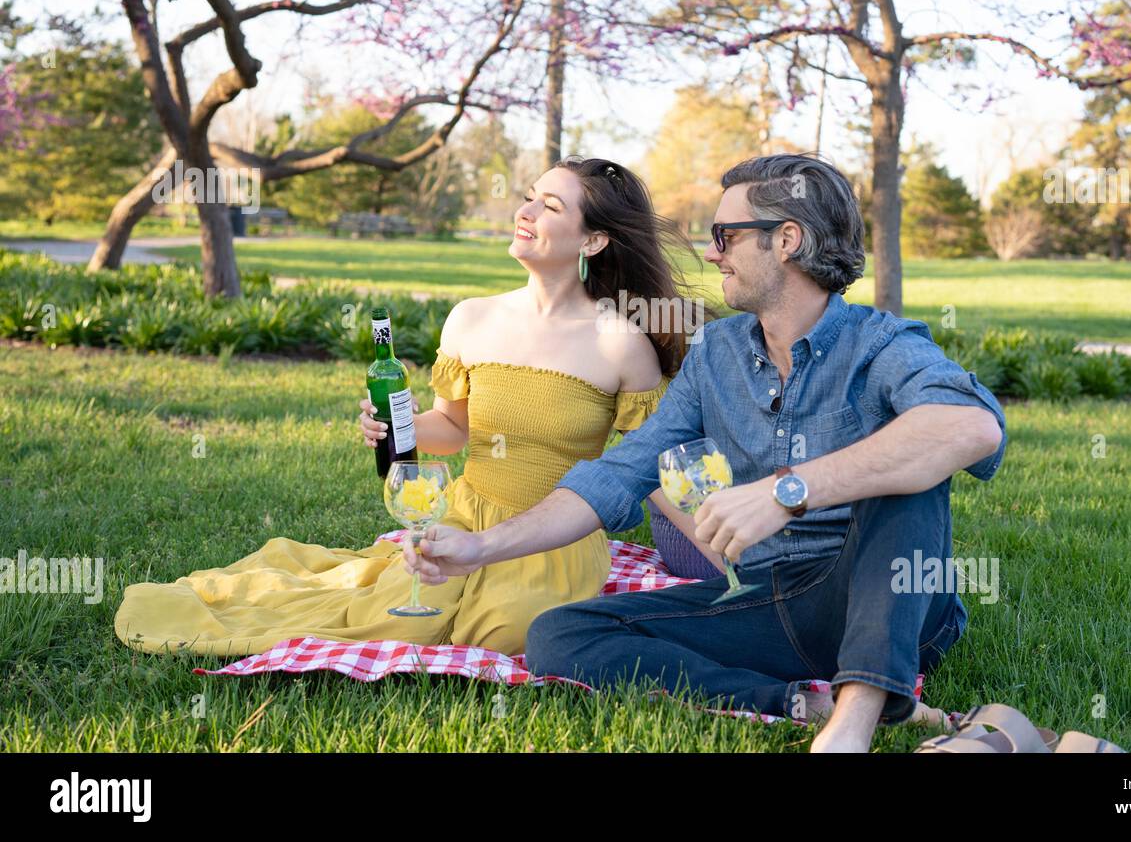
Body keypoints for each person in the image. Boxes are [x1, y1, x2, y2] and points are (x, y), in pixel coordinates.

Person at [402, 153, 1007, 752]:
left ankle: (856, 719)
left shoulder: (882, 345)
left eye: (726, 235)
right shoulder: (717, 352)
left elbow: (972, 427)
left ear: (787, 241)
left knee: (910, 466)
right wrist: (480, 548)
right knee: (561, 634)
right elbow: (622, 472)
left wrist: (786, 490)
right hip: (772, 601)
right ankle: (800, 703)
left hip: (890, 602)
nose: (713, 253)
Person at [113, 157, 709, 658]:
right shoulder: (473, 317)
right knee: (402, 619)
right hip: (463, 513)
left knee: (508, 632)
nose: (524, 213)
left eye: (550, 208)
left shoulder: (620, 342)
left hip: (554, 537)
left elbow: (646, 466)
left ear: (593, 239)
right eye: (528, 198)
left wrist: (724, 549)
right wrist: (397, 426)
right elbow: (451, 428)